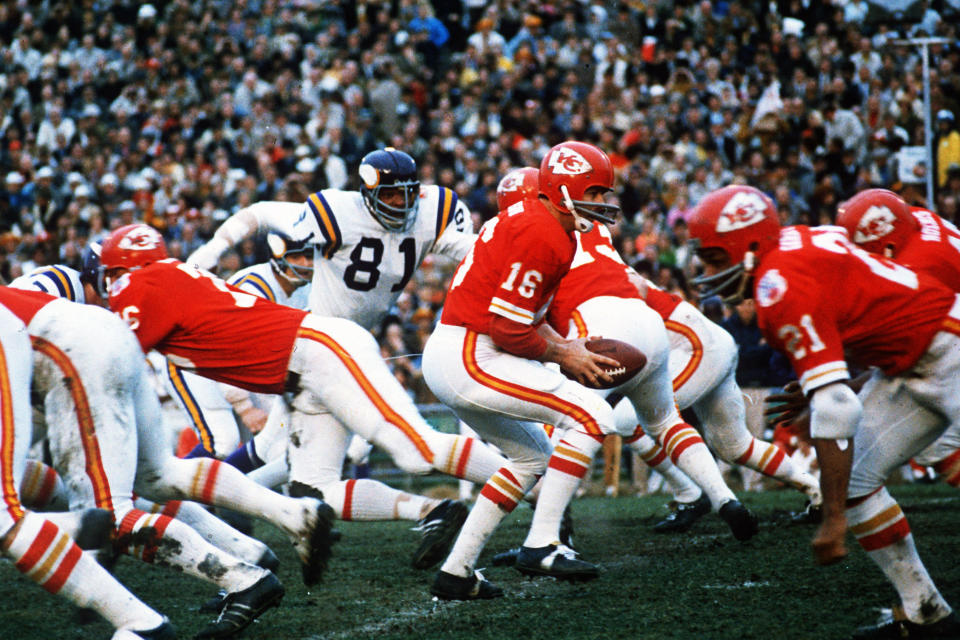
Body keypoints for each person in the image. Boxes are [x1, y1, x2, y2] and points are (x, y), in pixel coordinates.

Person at [101, 223, 508, 572]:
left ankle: (540, 485)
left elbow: (116, 360)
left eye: (111, 274)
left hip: (315, 353)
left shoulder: (141, 283)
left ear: (121, 268)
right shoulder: (170, 276)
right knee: (313, 490)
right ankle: (431, 511)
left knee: (416, 452)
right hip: (302, 370)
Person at [688, 184, 960, 638]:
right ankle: (925, 612)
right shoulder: (794, 246)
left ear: (751, 247)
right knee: (856, 481)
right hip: (911, 363)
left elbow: (835, 408)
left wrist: (832, 517)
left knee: (845, 483)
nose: (710, 272)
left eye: (718, 258)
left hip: (948, 349)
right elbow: (873, 319)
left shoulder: (778, 284)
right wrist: (825, 381)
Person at [0, 285, 328, 638]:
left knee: (108, 512)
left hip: (63, 348)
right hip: (105, 334)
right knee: (158, 475)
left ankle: (225, 586)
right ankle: (274, 527)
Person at [501, 168, 810, 539]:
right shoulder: (589, 229)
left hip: (684, 342)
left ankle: (693, 497)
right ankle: (807, 490)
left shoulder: (544, 243)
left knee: (617, 419)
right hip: (672, 335)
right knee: (733, 445)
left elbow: (530, 315)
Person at [0, 300, 175, 640]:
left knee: (2, 516)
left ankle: (141, 622)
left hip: (59, 351)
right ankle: (72, 524)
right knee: (158, 476)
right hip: (77, 345)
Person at [836, 188, 960, 487]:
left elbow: (909, 342)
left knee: (943, 447)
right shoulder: (913, 219)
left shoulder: (917, 269)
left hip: (946, 345)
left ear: (889, 245)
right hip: (941, 338)